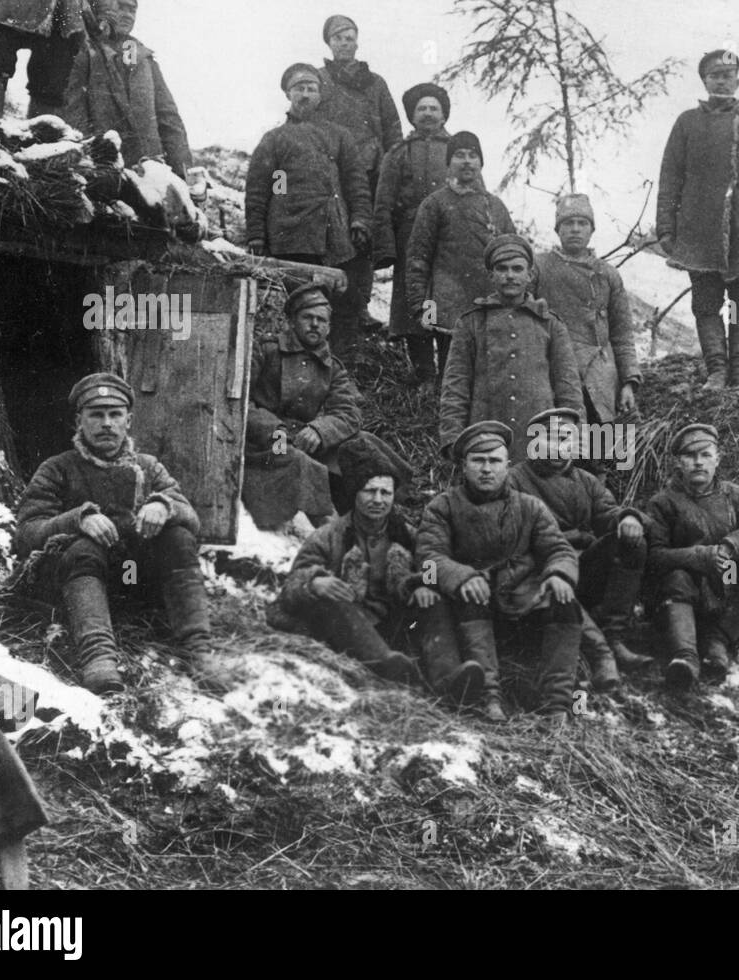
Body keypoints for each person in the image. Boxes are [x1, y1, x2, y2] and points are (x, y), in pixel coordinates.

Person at [11, 373, 223, 694]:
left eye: (115, 415)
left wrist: (164, 506)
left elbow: (191, 519)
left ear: (129, 421)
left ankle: (198, 650)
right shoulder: (57, 468)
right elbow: (26, 533)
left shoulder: (149, 467)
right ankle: (98, 657)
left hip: (130, 581)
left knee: (177, 537)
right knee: (84, 546)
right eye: (96, 415)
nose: (106, 423)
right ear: (79, 421)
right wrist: (76, 519)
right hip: (75, 586)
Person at [416, 421, 582, 726]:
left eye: (494, 461)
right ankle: (489, 697)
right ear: (463, 467)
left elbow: (559, 549)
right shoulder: (442, 507)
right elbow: (427, 559)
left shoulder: (530, 507)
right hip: (474, 611)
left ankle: (557, 702)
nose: (486, 469)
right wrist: (461, 576)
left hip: (523, 604)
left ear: (507, 466)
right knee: (471, 594)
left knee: (565, 603)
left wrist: (559, 574)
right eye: (478, 461)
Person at [656, 49, 739, 390]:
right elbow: (671, 176)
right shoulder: (687, 122)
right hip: (700, 231)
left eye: (727, 76)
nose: (721, 81)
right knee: (707, 303)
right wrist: (667, 226)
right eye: (715, 76)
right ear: (705, 81)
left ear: (737, 81)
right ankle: (716, 368)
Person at [507, 407, 654, 693]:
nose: (559, 447)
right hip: (543, 569)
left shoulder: (585, 481)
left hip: (584, 567)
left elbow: (608, 512)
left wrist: (629, 518)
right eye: (551, 438)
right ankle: (600, 654)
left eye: (567, 440)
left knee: (632, 542)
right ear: (534, 442)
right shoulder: (515, 480)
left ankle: (615, 635)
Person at [269, 438, 422, 684]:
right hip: (347, 628)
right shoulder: (329, 536)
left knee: (434, 599)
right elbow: (292, 584)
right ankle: (385, 663)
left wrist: (426, 583)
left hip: (394, 625)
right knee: (334, 597)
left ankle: (447, 676)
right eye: (370, 491)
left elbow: (433, 562)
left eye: (386, 493)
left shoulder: (408, 535)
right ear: (355, 494)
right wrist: (315, 583)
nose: (378, 500)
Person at [245, 63, 372, 356]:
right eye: (299, 88)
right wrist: (257, 235)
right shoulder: (275, 140)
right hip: (291, 238)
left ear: (320, 95)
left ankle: (339, 372)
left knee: (343, 305)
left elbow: (356, 184)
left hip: (335, 236)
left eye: (311, 88)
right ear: (289, 94)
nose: (305, 94)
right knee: (297, 307)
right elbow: (260, 190)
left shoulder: (339, 136)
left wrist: (360, 220)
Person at [647, 424, 739, 689]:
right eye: (690, 456)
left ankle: (718, 639)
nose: (698, 462)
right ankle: (685, 658)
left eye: (706, 455)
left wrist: (731, 546)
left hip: (726, 583)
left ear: (717, 458)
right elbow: (654, 556)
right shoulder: (663, 502)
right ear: (678, 462)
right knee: (677, 576)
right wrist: (700, 556)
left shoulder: (734, 495)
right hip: (679, 594)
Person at [439, 234, 584, 462]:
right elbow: (455, 387)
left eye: (517, 269)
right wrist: (452, 438)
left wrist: (574, 439)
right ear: (491, 275)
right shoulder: (470, 324)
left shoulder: (551, 324)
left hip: (539, 443)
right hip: (486, 441)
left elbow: (569, 390)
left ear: (530, 275)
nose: (509, 276)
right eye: (502, 269)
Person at [243, 283, 366, 530]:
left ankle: (377, 519)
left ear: (329, 327)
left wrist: (320, 430)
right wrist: (273, 428)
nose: (314, 325)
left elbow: (348, 413)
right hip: (265, 440)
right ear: (291, 321)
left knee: (363, 449)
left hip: (303, 439)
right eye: (307, 317)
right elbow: (242, 399)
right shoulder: (266, 350)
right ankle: (329, 532)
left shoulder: (331, 367)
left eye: (321, 320)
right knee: (296, 460)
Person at [315, 14, 404, 340]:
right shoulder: (320, 79)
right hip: (334, 174)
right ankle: (329, 303)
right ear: (329, 43)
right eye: (338, 37)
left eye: (350, 36)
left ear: (357, 41)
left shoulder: (375, 83)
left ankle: (360, 305)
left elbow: (393, 128)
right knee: (335, 236)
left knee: (365, 240)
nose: (345, 42)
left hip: (371, 173)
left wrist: (393, 167)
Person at [405, 131, 516, 385]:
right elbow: (418, 258)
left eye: (473, 155)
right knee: (453, 375)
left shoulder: (495, 206)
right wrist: (420, 307)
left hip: (490, 304)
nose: (467, 161)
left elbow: (512, 251)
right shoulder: (434, 204)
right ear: (449, 162)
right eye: (459, 155)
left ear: (481, 163)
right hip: (447, 306)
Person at [533, 193, 642, 428]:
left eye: (582, 223)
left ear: (592, 230)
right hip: (554, 371)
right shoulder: (539, 267)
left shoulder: (608, 275)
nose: (575, 229)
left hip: (601, 375)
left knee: (609, 449)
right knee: (559, 445)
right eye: (568, 223)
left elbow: (622, 334)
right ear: (557, 229)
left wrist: (628, 382)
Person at [373, 83, 453, 393]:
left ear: (444, 113)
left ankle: (449, 376)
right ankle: (424, 375)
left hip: (449, 244)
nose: (428, 113)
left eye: (434, 108)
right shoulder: (399, 153)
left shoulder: (458, 152)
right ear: (412, 116)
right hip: (411, 243)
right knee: (414, 307)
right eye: (422, 108)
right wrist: (386, 249)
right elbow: (383, 202)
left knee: (447, 304)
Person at [60, 0, 192, 176]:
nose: (128, 15)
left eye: (133, 10)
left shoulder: (144, 60)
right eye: (121, 7)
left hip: (149, 174)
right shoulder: (85, 53)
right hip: (103, 170)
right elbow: (74, 115)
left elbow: (169, 121)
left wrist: (186, 174)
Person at [0, 0, 88, 120]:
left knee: (51, 82)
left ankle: (40, 133)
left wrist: (103, 14)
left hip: (65, 15)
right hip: (6, 10)